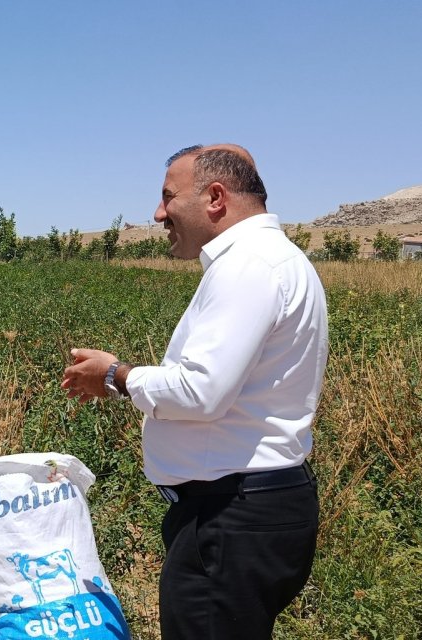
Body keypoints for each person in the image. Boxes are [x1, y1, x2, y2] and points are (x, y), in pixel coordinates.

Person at [60, 144, 328, 639]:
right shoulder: (270, 260)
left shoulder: (250, 264)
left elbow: (201, 391)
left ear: (216, 197)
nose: (159, 213)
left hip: (232, 516)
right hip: (242, 512)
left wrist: (116, 374)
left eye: (168, 197)